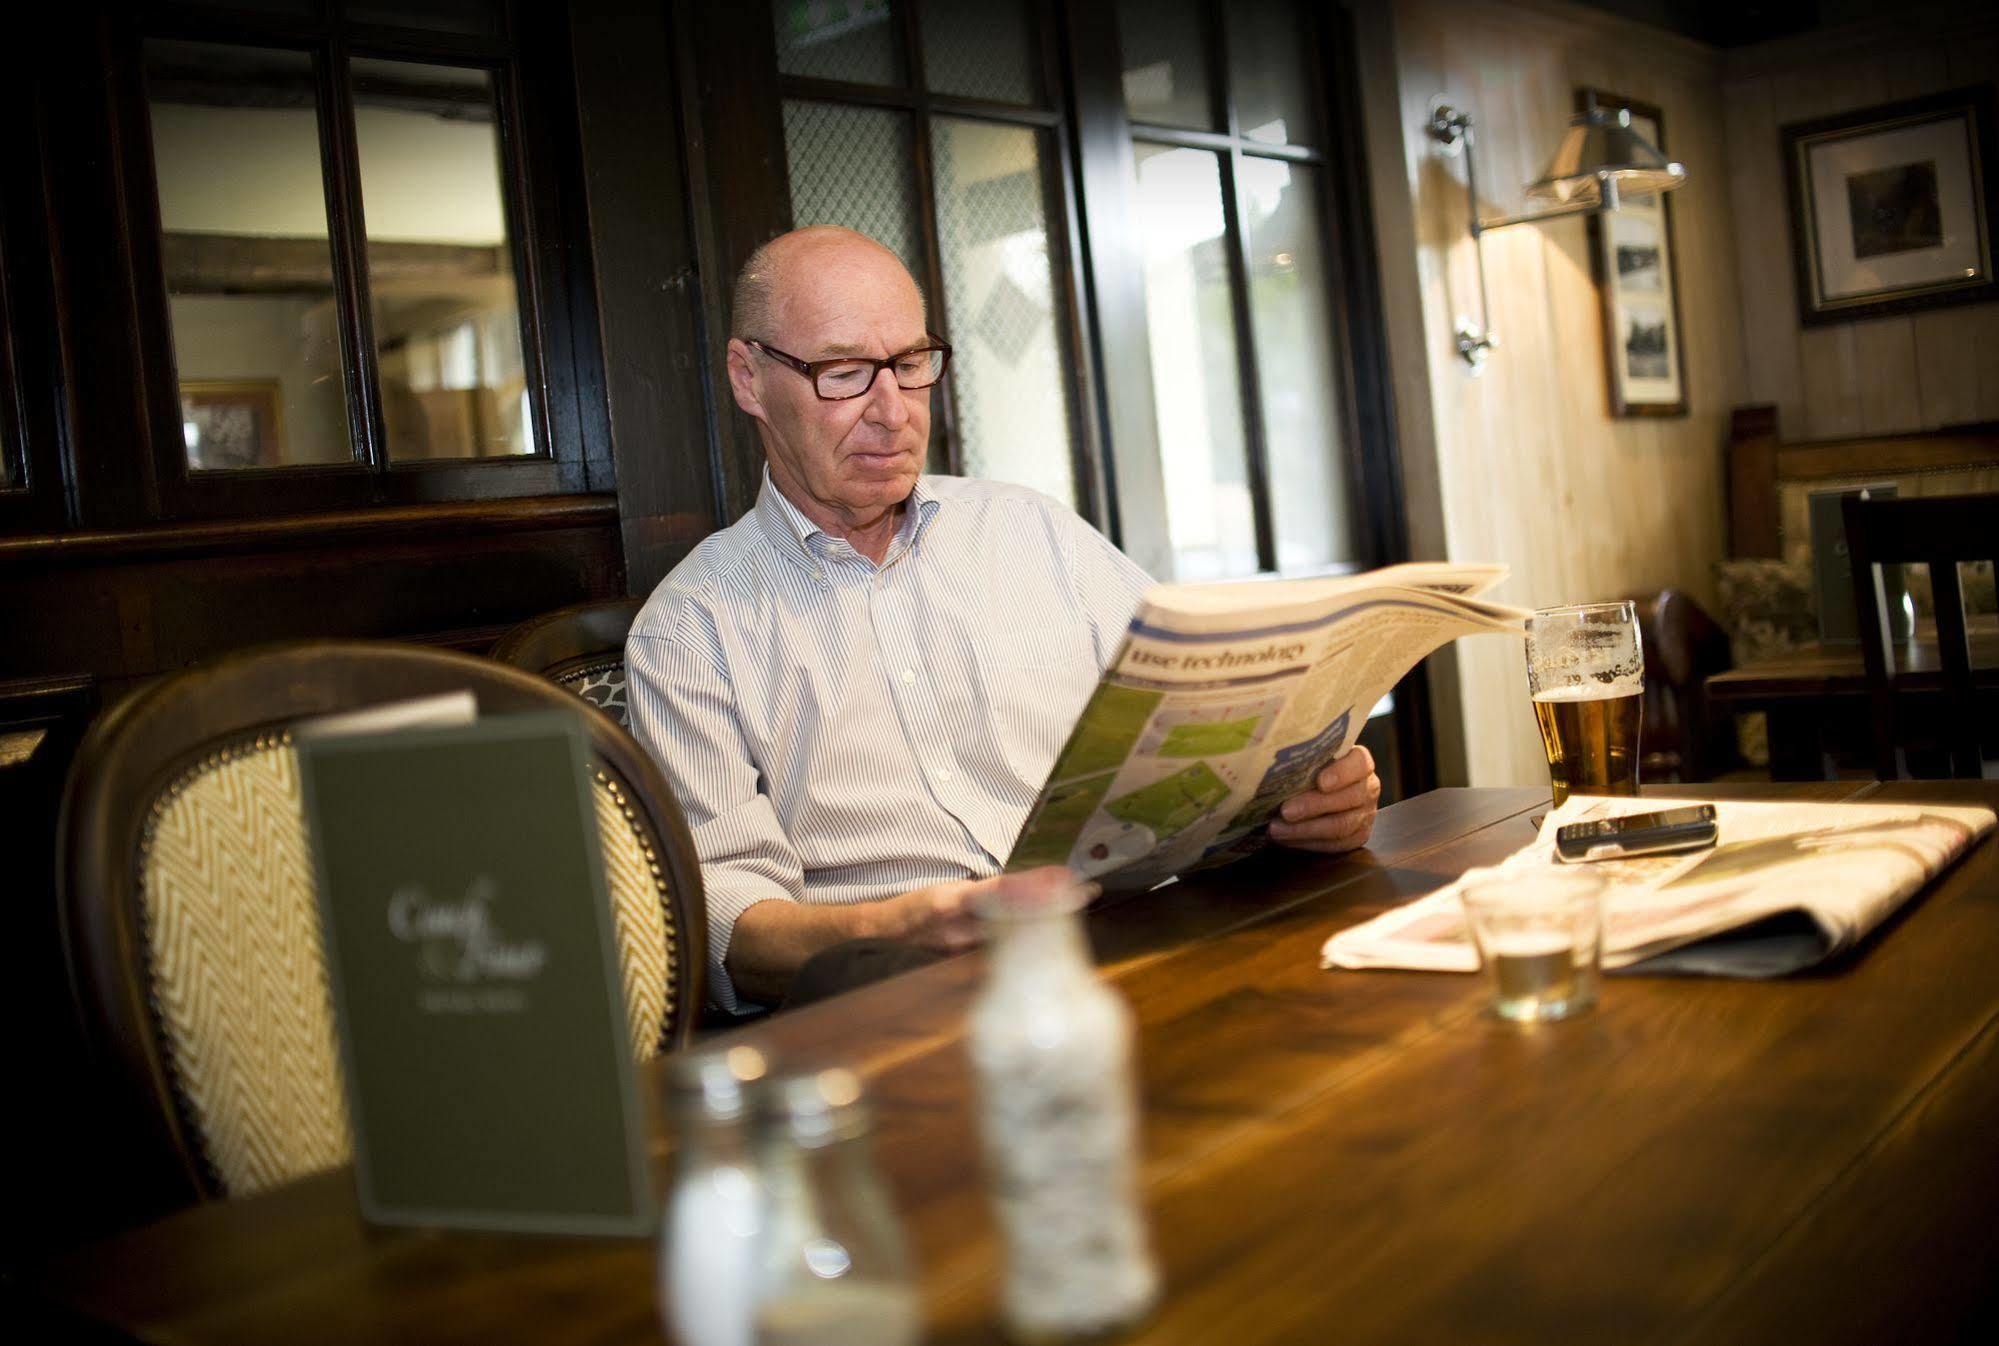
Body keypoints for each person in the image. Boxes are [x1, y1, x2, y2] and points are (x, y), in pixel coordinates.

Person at [627, 226, 1380, 1012]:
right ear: (748, 378)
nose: (892, 413)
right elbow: (723, 926)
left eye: (911, 366)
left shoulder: (1035, 533)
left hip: (1142, 951)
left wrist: (1304, 804)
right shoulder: (690, 631)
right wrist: (889, 927)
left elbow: (1206, 728)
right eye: (844, 373)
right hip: (906, 1012)